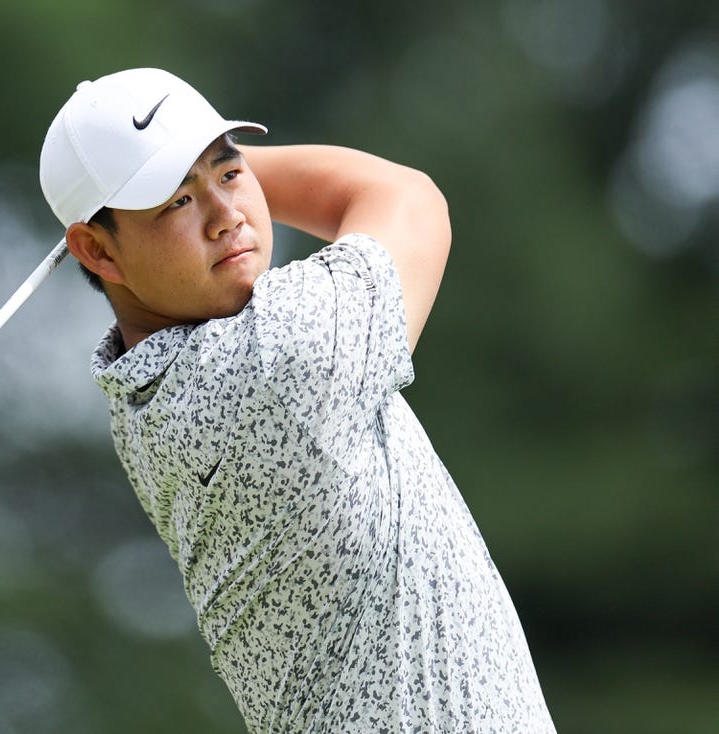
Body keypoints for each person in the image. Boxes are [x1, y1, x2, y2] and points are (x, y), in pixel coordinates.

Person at [39, 67, 556, 733]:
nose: (227, 216)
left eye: (229, 175)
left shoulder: (137, 399)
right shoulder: (273, 361)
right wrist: (223, 163)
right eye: (175, 202)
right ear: (95, 250)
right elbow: (406, 196)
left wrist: (182, 168)